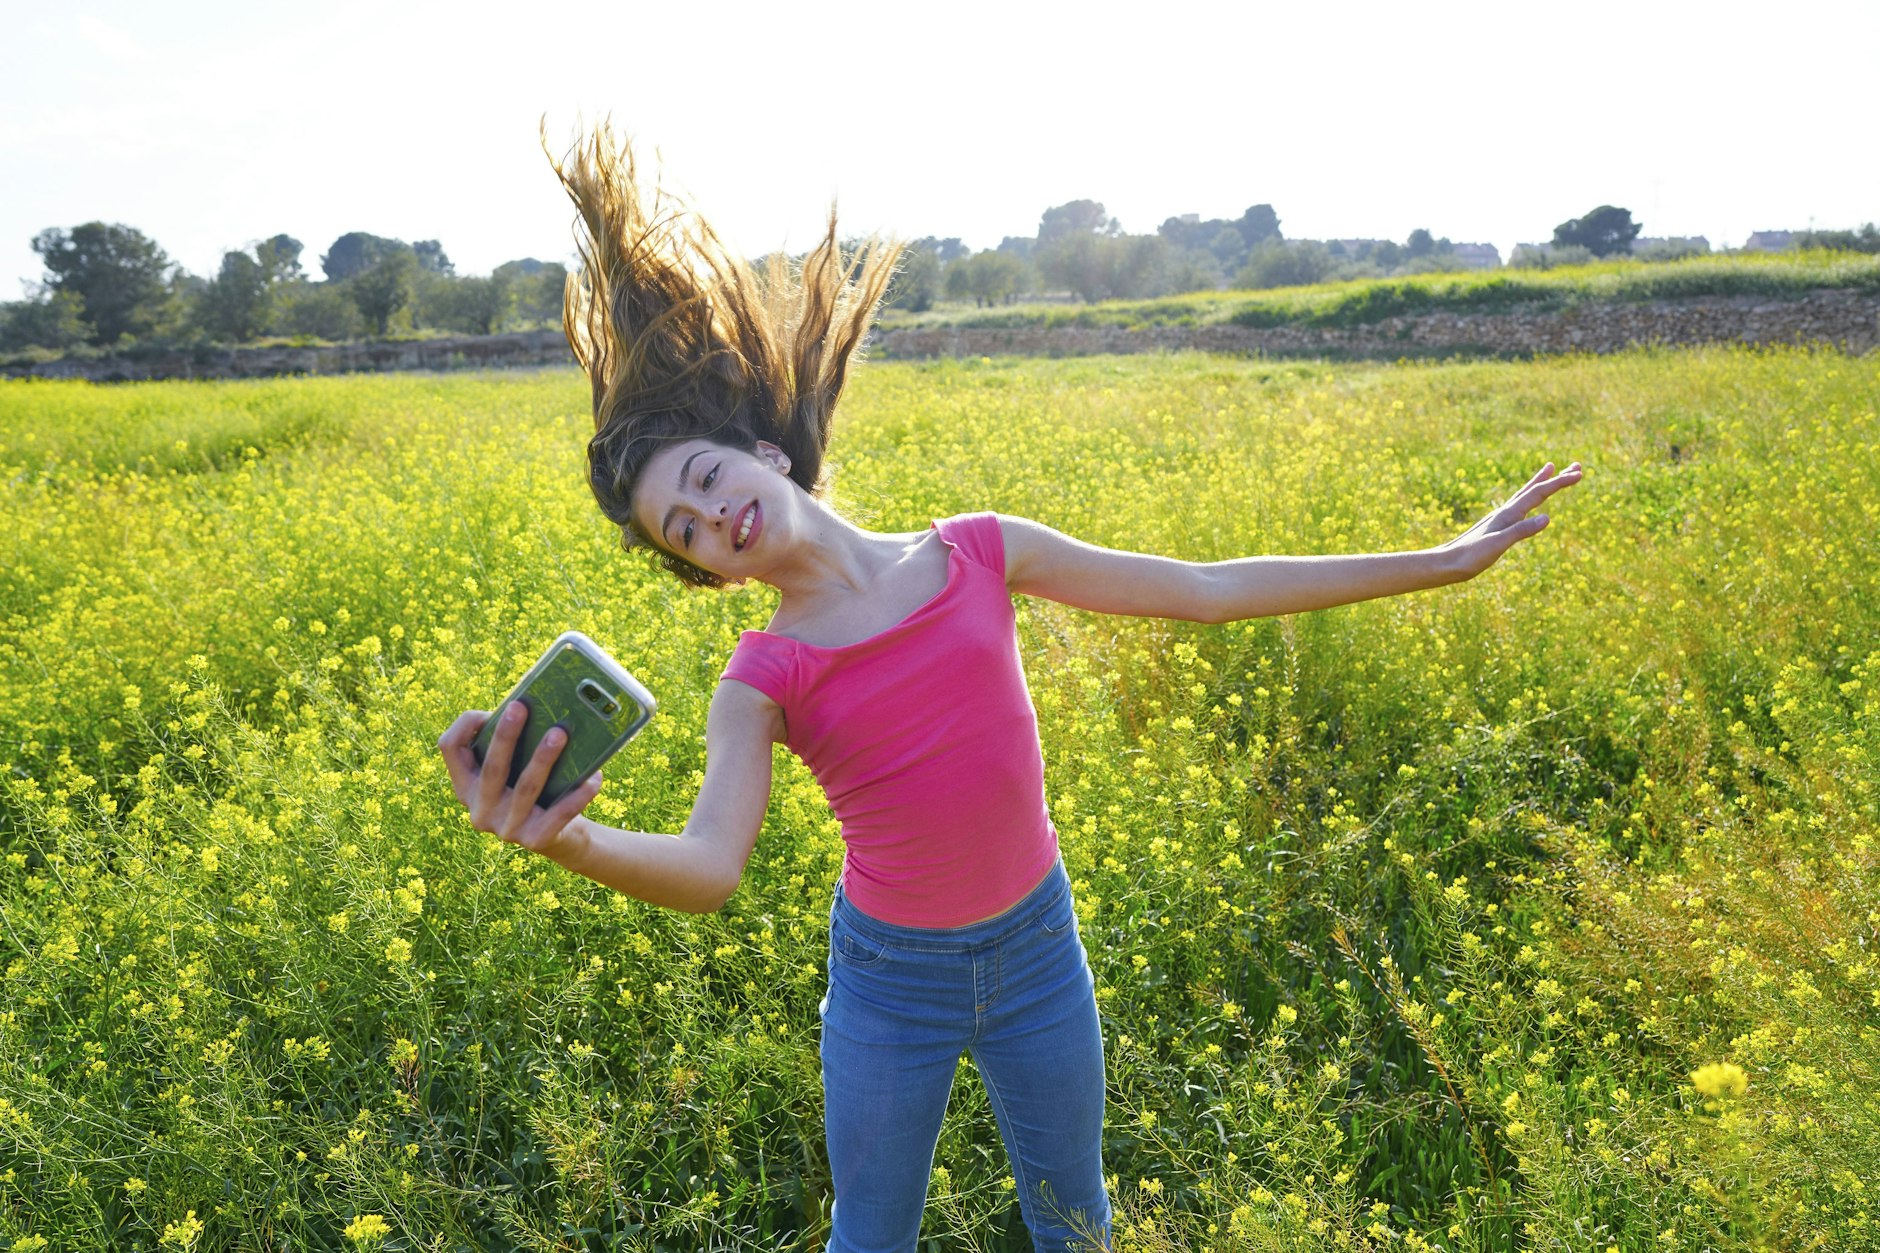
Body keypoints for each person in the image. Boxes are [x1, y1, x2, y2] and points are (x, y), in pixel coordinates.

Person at [435, 120, 1585, 1253]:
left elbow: (1205, 588)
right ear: (708, 571)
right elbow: (707, 867)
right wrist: (565, 838)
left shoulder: (979, 549)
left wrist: (1442, 558)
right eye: (684, 531)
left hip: (1038, 948)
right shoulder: (761, 677)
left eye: (701, 478)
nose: (708, 515)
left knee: (1075, 1223)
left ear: (763, 453)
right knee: (870, 1237)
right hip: (888, 983)